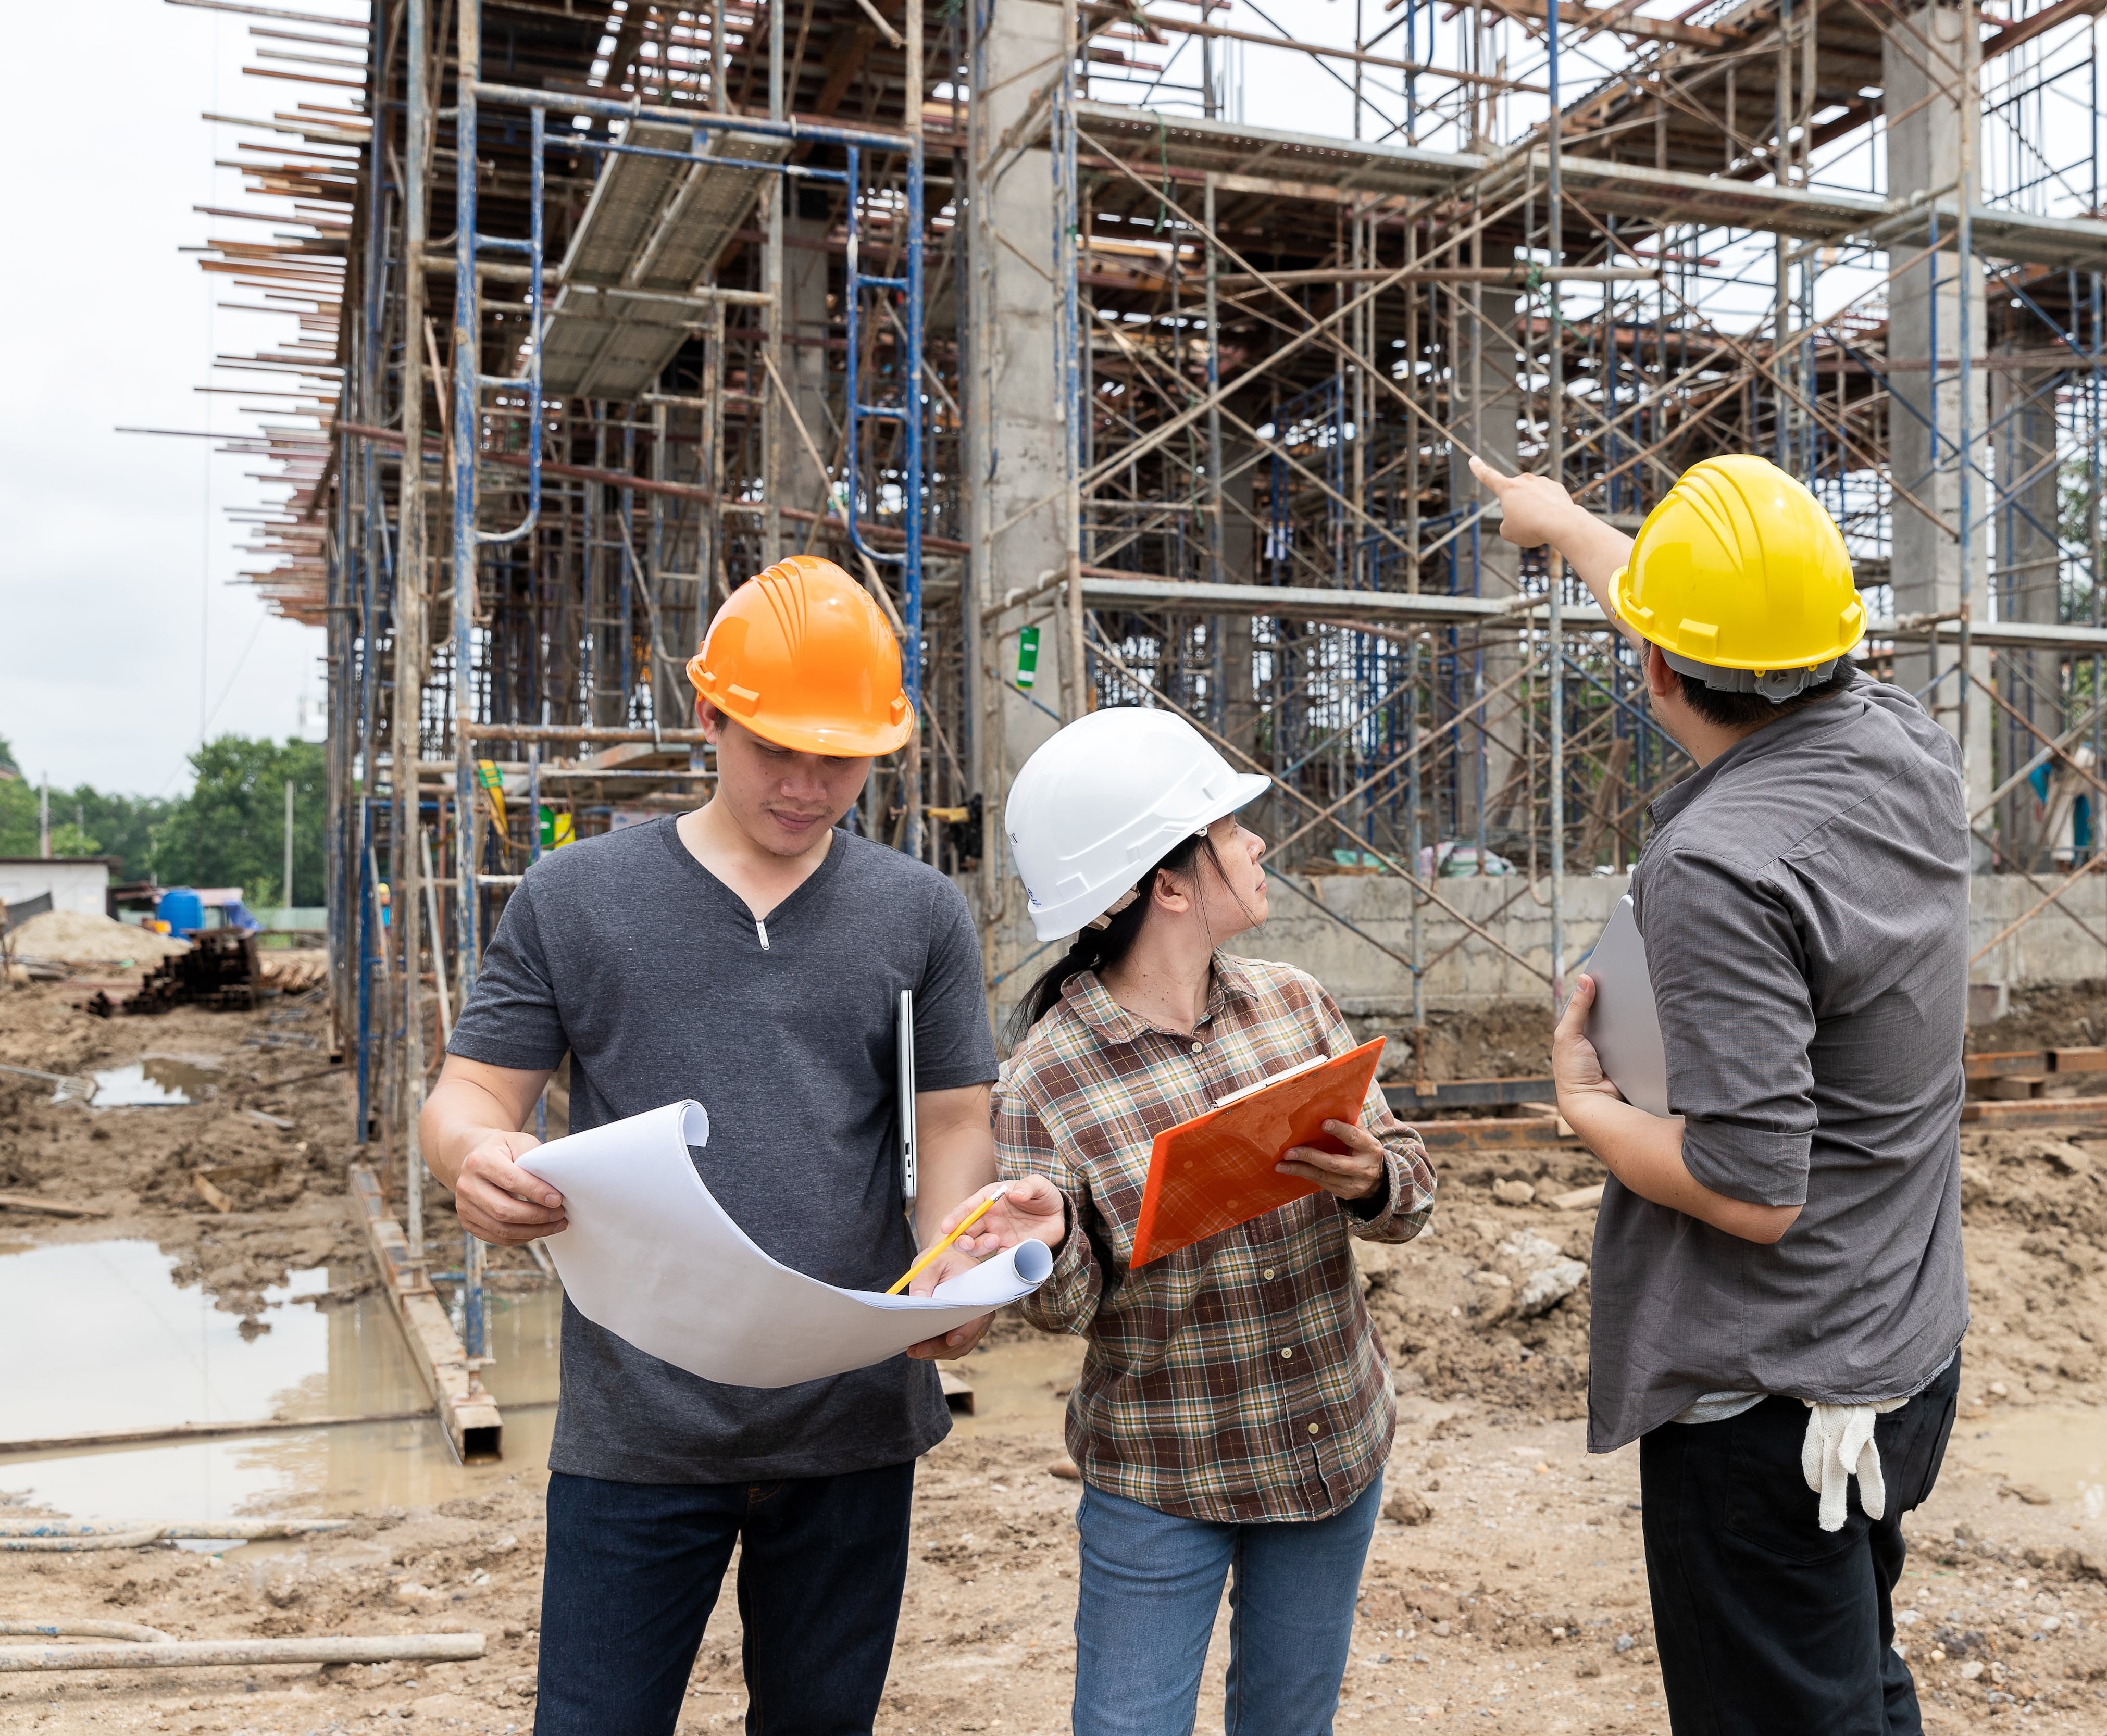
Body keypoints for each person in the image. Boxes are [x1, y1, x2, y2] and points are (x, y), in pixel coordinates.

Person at [419, 555, 1006, 1736]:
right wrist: (470, 1156)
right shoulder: (576, 896)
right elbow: (469, 1092)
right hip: (640, 1419)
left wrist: (954, 1254)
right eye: (772, 749)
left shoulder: (919, 911)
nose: (804, 785)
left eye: (837, 759)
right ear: (708, 717)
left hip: (848, 1413)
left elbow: (951, 1120)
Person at [1472, 453, 1971, 1735]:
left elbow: (1752, 1188)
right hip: (1898, 1349)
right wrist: (1569, 524)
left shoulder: (1717, 863)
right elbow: (1727, 616)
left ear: (1649, 670)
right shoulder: (1904, 741)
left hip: (1772, 1404)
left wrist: (1584, 1103)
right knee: (1848, 1675)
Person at [920, 705, 1436, 1736]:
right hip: (1164, 1473)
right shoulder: (1045, 1079)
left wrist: (1373, 1174)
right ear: (1168, 882)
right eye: (1229, 830)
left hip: (1326, 1444)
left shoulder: (1295, 1007)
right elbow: (1066, 1311)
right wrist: (1055, 1236)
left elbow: (1411, 1196)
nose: (1254, 844)